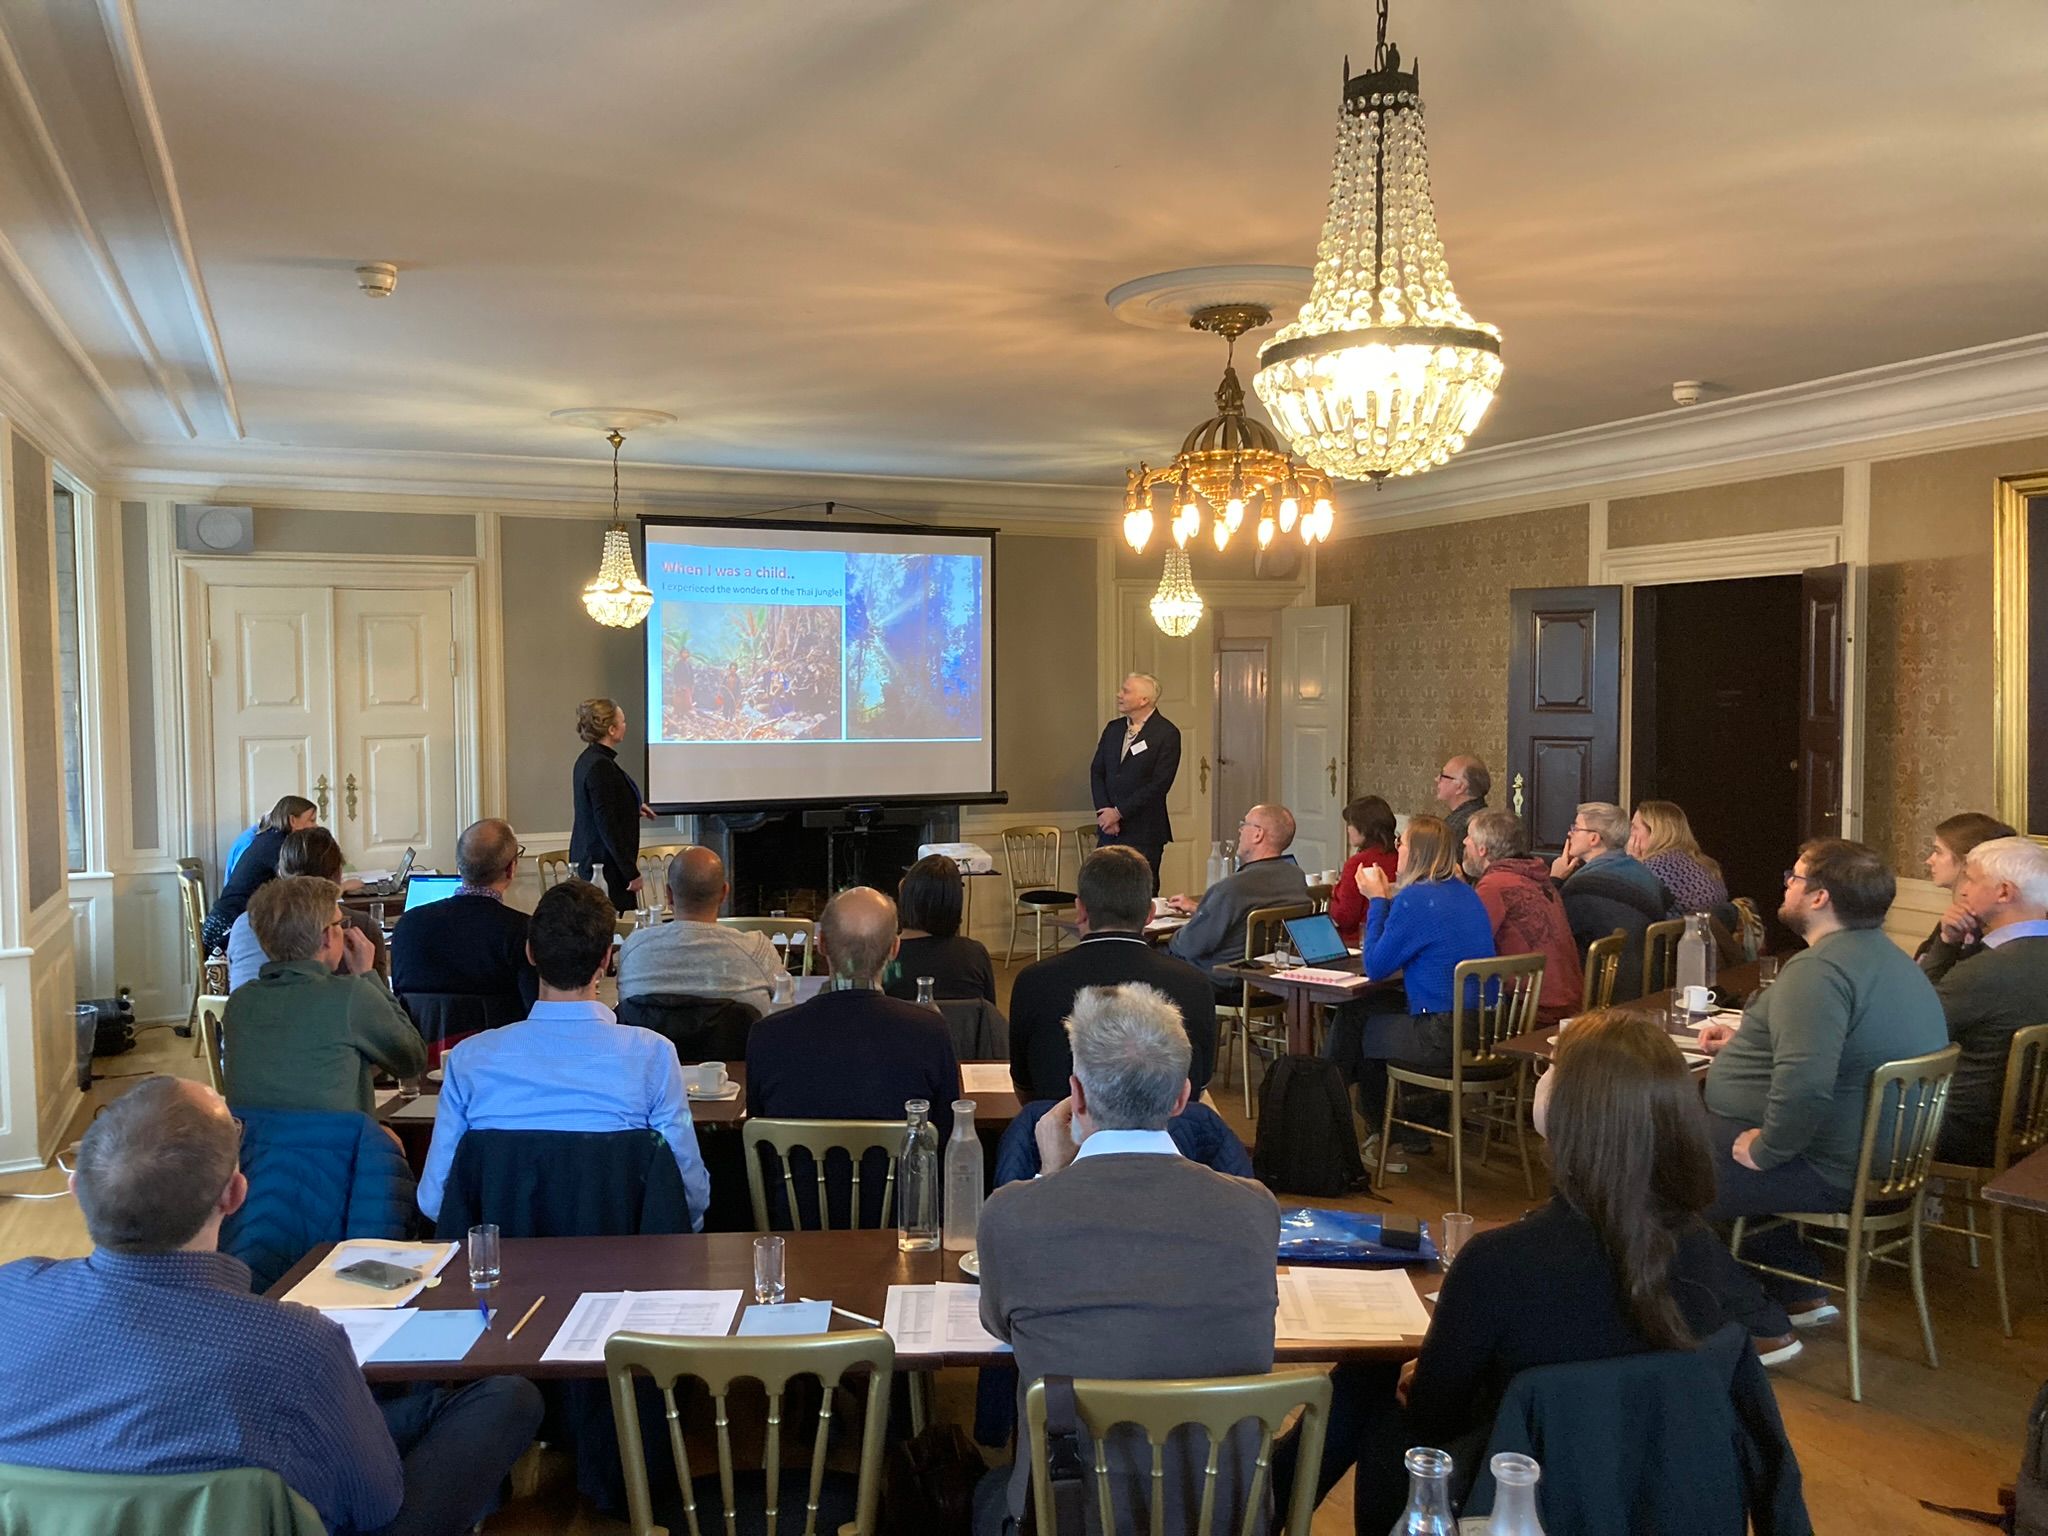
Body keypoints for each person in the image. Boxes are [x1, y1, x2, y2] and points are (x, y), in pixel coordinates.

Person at [0, 1076, 542, 1536]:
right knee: (506, 1398)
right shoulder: (298, 1343)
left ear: (76, 1188)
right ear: (235, 1194)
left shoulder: (9, 1294)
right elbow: (376, 1505)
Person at [1292, 1011, 1741, 1530]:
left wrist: (1424, 1376)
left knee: (1371, 1381)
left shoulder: (1499, 1262)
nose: (1541, 1077)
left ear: (1563, 1110)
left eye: (1550, 1067)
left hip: (1509, 1499)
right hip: (1650, 1495)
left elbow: (1433, 1416)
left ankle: (1264, 1502)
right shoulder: (1705, 1252)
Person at [974, 983, 1279, 1536]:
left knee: (983, 1489)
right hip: (1219, 1517)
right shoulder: (1254, 1209)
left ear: (1077, 1095)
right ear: (1182, 1098)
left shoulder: (1013, 1213)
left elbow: (1001, 1326)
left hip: (1070, 1517)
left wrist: (1049, 1177)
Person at [1696, 838, 1947, 1352]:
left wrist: (1768, 1149)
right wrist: (1750, 1042)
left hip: (1827, 1167)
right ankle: (1798, 1291)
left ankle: (1759, 1325)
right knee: (1692, 1139)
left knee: (1646, 1173)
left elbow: (1806, 1086)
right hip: (1877, 1158)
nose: (1786, 885)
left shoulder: (1819, 970)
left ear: (1819, 897)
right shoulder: (1889, 958)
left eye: (1794, 877)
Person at [418, 880, 711, 1227]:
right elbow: (688, 1194)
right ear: (606, 958)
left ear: (530, 952)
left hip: (504, 1258)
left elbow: (436, 1199)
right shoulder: (653, 1055)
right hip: (623, 1257)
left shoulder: (469, 1059)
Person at [1323, 814, 1495, 1163]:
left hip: (1443, 1033)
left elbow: (1376, 967)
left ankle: (1339, 1118)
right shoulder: (1466, 893)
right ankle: (1401, 1126)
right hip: (1484, 1027)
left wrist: (1377, 900)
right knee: (1367, 1012)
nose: (1396, 848)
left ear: (1416, 852)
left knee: (1357, 1022)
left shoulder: (1416, 899)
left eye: (1401, 843)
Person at [746, 887, 962, 1141]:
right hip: (901, 1169)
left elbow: (758, 1138)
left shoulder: (767, 1035)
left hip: (792, 1168)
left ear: (821, 943)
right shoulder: (930, 1032)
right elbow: (946, 1137)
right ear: (894, 948)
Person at [1008, 846, 1218, 1101]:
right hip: (1168, 1123)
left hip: (1062, 1121)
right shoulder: (1194, 984)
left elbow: (1025, 1087)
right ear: (1150, 913)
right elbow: (1198, 1085)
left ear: (1080, 910)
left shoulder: (1034, 982)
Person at [222, 876, 425, 1115]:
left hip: (255, 1138)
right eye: (340, 923)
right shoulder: (351, 995)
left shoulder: (239, 1002)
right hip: (336, 1138)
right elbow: (412, 1060)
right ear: (327, 936)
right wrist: (368, 975)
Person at [1931, 836, 2048, 1165]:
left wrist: (1944, 945)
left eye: (1971, 879)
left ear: (2004, 892)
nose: (1963, 890)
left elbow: (1914, 1027)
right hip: (2032, 1128)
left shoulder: (1985, 972)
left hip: (1968, 1132)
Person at [616, 845, 786, 1016]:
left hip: (651, 1035)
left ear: (669, 894)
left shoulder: (633, 949)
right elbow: (786, 1002)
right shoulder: (757, 950)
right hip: (738, 1035)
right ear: (724, 893)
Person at [388, 818, 538, 1012]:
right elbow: (536, 1009)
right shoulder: (521, 932)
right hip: (501, 1032)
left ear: (459, 866)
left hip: (418, 1033)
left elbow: (399, 1008)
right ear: (511, 869)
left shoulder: (408, 925)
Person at [1165, 804, 1311, 982]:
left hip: (1220, 977)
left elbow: (1190, 945)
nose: (1239, 830)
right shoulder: (1296, 877)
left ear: (1258, 834)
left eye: (1244, 824)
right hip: (1266, 976)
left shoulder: (1233, 887)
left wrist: (1172, 937)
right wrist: (1200, 909)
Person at [228, 825, 387, 989]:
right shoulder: (359, 928)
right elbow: (384, 1002)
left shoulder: (242, 924)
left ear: (280, 873)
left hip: (247, 1004)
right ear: (339, 875)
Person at [1463, 809, 1582, 1025]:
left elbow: (1467, 946)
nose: (1464, 842)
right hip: (1570, 1000)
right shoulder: (1537, 876)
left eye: (1469, 836)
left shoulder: (1494, 885)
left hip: (1534, 1010)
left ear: (1482, 849)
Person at [1551, 801, 1673, 1000]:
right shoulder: (1644, 873)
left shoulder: (1582, 886)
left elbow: (1552, 931)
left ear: (1594, 838)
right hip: (1649, 982)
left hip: (1605, 990)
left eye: (1576, 827)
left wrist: (1555, 880)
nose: (1569, 833)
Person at [1088, 672, 1182, 892]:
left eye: (1126, 691)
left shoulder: (1166, 733)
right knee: (1104, 892)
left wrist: (1119, 812)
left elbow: (1159, 784)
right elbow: (1097, 771)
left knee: (1140, 894)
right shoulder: (1113, 729)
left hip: (1144, 831)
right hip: (1109, 830)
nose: (1119, 695)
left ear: (1144, 700)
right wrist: (1105, 813)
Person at [200, 794, 318, 951]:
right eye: (311, 820)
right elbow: (296, 887)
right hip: (227, 930)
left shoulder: (269, 837)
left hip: (223, 923)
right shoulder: (278, 846)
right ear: (293, 821)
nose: (315, 826)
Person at [569, 696, 652, 910]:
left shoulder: (588, 759)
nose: (626, 725)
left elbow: (604, 804)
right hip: (605, 869)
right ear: (612, 730)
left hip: (596, 860)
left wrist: (632, 806)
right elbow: (607, 825)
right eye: (622, 721)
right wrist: (631, 873)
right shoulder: (601, 766)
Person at [1917, 811, 2018, 980]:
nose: (1929, 860)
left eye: (1938, 852)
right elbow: (1919, 981)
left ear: (1967, 861)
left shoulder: (1987, 925)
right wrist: (1946, 940)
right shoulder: (1956, 917)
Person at [885, 853, 997, 1004]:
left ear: (905, 894)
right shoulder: (975, 955)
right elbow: (988, 1013)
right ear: (955, 902)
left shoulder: (884, 958)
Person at [1628, 799, 1730, 913]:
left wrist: (1632, 861)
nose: (1629, 833)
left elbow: (1630, 911)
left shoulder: (1653, 869)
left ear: (1654, 832)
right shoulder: (1708, 865)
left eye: (1634, 827)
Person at [1327, 794, 1399, 947]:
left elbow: (1345, 918)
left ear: (1364, 828)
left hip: (1357, 942)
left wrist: (1330, 901)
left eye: (1350, 824)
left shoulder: (1357, 864)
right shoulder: (1400, 858)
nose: (1348, 829)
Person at [1433, 755, 1490, 851]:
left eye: (1443, 776)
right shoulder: (1482, 814)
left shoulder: (1459, 827)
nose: (1437, 779)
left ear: (1460, 787)